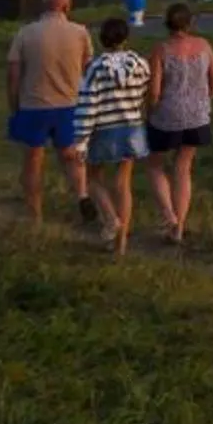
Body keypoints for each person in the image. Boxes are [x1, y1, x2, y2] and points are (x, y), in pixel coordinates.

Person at [5, 0, 94, 225]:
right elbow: (87, 67)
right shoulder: (80, 33)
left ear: (44, 6)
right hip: (69, 104)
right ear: (67, 7)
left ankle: (35, 214)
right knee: (69, 154)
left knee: (33, 159)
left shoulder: (26, 33)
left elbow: (13, 73)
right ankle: (82, 195)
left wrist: (14, 105)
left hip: (34, 104)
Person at [73, 15, 154, 255]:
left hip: (104, 128)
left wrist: (81, 139)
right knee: (123, 184)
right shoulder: (140, 63)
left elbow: (88, 104)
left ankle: (110, 218)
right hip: (131, 126)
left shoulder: (96, 67)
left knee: (93, 178)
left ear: (102, 40)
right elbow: (144, 93)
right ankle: (121, 244)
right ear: (126, 38)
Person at [145, 2, 213, 247]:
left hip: (167, 115)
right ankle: (179, 227)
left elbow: (154, 90)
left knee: (155, 164)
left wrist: (149, 111)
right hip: (197, 115)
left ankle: (168, 214)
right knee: (183, 168)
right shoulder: (204, 46)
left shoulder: (161, 50)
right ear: (190, 23)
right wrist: (204, 99)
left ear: (167, 23)